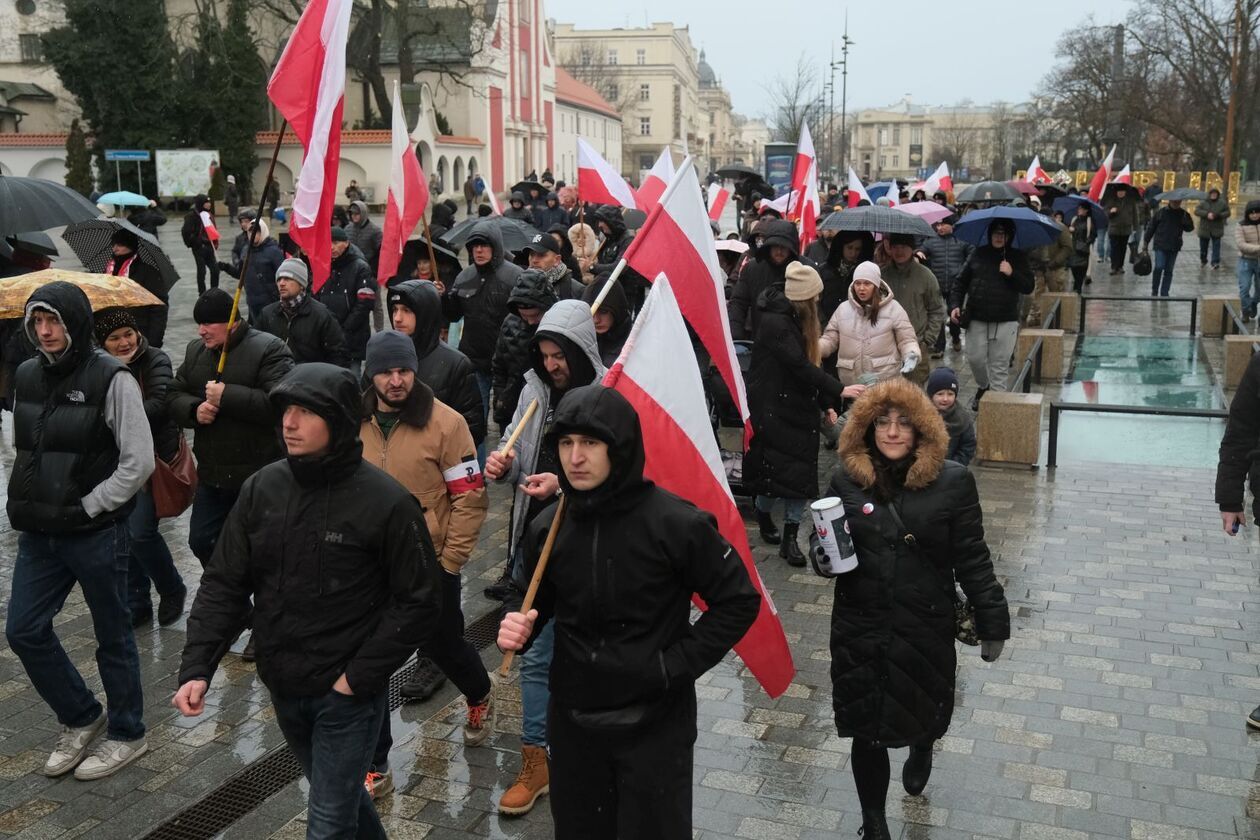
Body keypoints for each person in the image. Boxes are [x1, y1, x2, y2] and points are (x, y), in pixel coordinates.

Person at [175, 363, 441, 839]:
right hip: (282, 683)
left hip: (346, 697)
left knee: (326, 826)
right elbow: (224, 581)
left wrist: (355, 679)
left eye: (304, 411)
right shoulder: (263, 487)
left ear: (337, 420)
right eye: (285, 411)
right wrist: (198, 666)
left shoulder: (387, 502)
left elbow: (420, 600)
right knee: (341, 801)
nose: (289, 423)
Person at [497, 384, 760, 839]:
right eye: (565, 444)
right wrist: (516, 628)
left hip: (654, 726)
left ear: (619, 447)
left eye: (590, 443)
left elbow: (738, 601)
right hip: (575, 727)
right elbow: (528, 601)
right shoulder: (548, 527)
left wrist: (672, 665)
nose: (575, 457)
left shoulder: (677, 525)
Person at [828, 377, 1009, 839]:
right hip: (860, 623)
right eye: (882, 422)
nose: (891, 432)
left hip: (924, 623)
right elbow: (827, 540)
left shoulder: (952, 481)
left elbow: (972, 556)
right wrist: (821, 553)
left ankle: (922, 743)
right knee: (865, 727)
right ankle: (873, 823)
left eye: (903, 424)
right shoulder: (846, 479)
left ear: (922, 429)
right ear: (866, 429)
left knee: (920, 707)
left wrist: (993, 620)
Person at [5, 282, 155, 780]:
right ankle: (81, 715)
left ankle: (128, 732)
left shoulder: (112, 378)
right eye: (37, 322)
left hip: (95, 532)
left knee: (113, 635)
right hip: (40, 532)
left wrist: (92, 505)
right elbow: (21, 448)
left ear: (74, 323)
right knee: (24, 630)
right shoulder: (26, 374)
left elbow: (138, 461)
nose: (45, 332)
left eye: (54, 322)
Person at [484, 300, 606, 814]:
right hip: (532, 547)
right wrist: (506, 467)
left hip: (586, 551)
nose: (552, 364)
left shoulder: (605, 397)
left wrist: (566, 486)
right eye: (546, 354)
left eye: (561, 355)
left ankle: (588, 751)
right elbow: (522, 465)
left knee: (585, 658)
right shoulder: (534, 390)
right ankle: (537, 760)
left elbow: (621, 476)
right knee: (533, 655)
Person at [359, 331, 492, 797]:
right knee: (368, 661)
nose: (396, 381)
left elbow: (470, 496)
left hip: (430, 564)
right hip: (369, 568)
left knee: (446, 646)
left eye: (404, 371)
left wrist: (450, 561)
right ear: (371, 373)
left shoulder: (448, 423)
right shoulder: (351, 420)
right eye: (386, 372)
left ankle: (479, 694)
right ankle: (376, 760)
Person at [168, 288, 294, 586]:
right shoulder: (195, 351)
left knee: (263, 549)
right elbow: (173, 393)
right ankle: (231, 594)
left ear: (232, 321)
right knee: (202, 540)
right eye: (199, 323)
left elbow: (281, 404)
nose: (201, 331)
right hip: (213, 474)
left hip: (258, 474)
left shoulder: (269, 349)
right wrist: (194, 409)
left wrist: (228, 396)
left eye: (209, 323)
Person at [745, 262, 853, 566]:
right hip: (773, 408)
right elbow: (799, 366)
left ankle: (790, 538)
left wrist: (824, 404)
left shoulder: (795, 318)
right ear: (804, 298)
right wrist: (840, 390)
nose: (818, 301)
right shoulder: (776, 324)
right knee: (774, 476)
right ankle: (763, 512)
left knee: (800, 475)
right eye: (815, 297)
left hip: (798, 408)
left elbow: (808, 369)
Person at [95, 308, 187, 627]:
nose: (124, 342)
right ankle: (137, 601)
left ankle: (172, 587)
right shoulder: (97, 367)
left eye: (128, 334)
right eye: (114, 338)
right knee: (122, 534)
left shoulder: (155, 359)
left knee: (140, 532)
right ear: (102, 343)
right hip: (113, 461)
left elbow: (159, 405)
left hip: (150, 459)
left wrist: (112, 417)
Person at [389, 280, 486, 457]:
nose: (397, 318)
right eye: (394, 310)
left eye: (406, 310)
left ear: (426, 313)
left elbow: (472, 427)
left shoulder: (455, 364)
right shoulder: (384, 357)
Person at [949, 220, 1034, 409]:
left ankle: (996, 409)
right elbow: (960, 282)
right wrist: (955, 304)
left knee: (999, 365)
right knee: (975, 358)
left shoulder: (1017, 257)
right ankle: (983, 386)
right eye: (995, 232)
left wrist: (1012, 273)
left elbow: (1029, 286)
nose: (998, 236)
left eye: (1003, 233)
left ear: (1009, 236)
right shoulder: (977, 253)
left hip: (1006, 320)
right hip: (977, 317)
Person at [443, 221, 521, 423]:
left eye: (484, 245)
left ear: (495, 247)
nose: (479, 250)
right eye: (474, 246)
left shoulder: (515, 276)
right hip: (474, 360)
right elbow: (453, 315)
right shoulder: (465, 276)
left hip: (507, 363)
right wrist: (443, 297)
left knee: (508, 419)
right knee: (474, 419)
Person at [819, 261, 920, 386]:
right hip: (852, 386)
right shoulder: (842, 309)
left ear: (876, 286)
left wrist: (911, 354)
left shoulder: (894, 308)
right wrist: (815, 349)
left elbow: (907, 340)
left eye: (867, 283)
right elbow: (830, 339)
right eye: (857, 283)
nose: (861, 288)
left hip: (885, 385)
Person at [493, 269, 559, 432]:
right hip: (512, 407)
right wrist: (500, 400)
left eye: (535, 316)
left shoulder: (558, 327)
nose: (530, 321)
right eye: (524, 316)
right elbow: (499, 365)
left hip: (547, 407)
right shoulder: (510, 323)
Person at [254, 258, 350, 367]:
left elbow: (338, 355)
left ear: (301, 284)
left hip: (311, 379)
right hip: (276, 378)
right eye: (279, 279)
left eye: (287, 279)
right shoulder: (267, 314)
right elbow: (256, 349)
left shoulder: (321, 315)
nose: (281, 283)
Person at [880, 233, 945, 385]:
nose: (899, 251)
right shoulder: (882, 275)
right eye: (895, 247)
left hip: (916, 345)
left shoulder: (926, 276)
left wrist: (928, 340)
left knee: (913, 395)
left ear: (912, 248)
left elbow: (936, 310)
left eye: (903, 247)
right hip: (886, 344)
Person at [728, 218, 803, 340]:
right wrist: (735, 336)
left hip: (795, 342)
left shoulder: (803, 270)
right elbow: (738, 302)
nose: (779, 251)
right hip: (759, 341)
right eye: (775, 246)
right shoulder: (752, 268)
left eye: (784, 247)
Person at [320, 228, 376, 374]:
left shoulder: (360, 267)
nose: (331, 247)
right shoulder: (323, 265)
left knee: (352, 379)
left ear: (346, 243)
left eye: (336, 242)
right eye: (329, 242)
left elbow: (365, 303)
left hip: (352, 338)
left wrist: (345, 329)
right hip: (327, 336)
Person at [916, 215, 973, 356]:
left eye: (943, 225)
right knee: (938, 315)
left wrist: (963, 270)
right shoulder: (931, 241)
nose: (939, 228)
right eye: (938, 225)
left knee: (954, 313)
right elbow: (921, 250)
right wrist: (918, 254)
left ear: (951, 225)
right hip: (937, 284)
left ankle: (955, 336)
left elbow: (972, 253)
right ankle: (939, 346)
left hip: (956, 285)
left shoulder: (961, 240)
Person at [103, 228, 168, 347]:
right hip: (110, 335)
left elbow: (159, 306)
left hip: (140, 333)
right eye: (114, 244)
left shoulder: (147, 271)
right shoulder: (108, 269)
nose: (115, 248)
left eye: (120, 244)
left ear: (130, 246)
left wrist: (154, 341)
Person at [219, 219, 284, 321]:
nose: (253, 234)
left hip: (271, 303)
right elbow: (241, 274)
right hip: (252, 304)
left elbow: (283, 276)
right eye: (250, 231)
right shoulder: (245, 250)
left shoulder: (274, 251)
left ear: (263, 232)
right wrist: (226, 267)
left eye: (257, 231)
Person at [591, 206, 645, 311]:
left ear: (611, 221)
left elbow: (618, 267)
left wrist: (593, 267)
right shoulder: (607, 239)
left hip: (623, 292)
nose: (599, 225)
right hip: (606, 289)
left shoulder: (627, 240)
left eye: (602, 221)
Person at [1024, 215, 1073, 327]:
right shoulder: (1036, 228)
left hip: (1055, 267)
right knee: (1038, 292)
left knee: (1056, 292)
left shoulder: (1060, 228)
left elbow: (1068, 247)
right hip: (1039, 267)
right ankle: (1037, 316)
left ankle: (1058, 318)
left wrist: (1055, 262)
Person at [1144, 198, 1195, 297]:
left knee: (1169, 270)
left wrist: (1186, 222)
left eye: (1178, 201)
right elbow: (1151, 227)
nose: (1176, 203)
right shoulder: (1161, 213)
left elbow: (1190, 228)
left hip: (1174, 245)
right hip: (1160, 244)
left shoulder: (1183, 214)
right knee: (1159, 267)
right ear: (1169, 201)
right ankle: (1154, 290)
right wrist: (1146, 241)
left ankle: (1164, 292)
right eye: (1174, 201)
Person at [925, 366, 975, 466]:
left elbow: (968, 445)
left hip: (950, 468)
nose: (945, 399)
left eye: (950, 394)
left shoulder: (962, 418)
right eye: (940, 394)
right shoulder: (921, 414)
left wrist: (954, 464)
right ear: (931, 395)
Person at [581, 274, 632, 366]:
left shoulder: (633, 344)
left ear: (617, 310)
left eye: (603, 312)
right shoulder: (581, 340)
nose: (596, 320)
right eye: (591, 312)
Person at [522, 232, 584, 300]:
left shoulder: (576, 290)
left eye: (541, 255)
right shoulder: (521, 282)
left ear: (557, 260)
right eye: (531, 254)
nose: (534, 260)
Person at [181, 194, 220, 295]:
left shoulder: (209, 215)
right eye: (206, 202)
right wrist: (195, 242)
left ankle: (214, 291)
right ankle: (202, 293)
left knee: (215, 269)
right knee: (202, 271)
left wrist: (215, 242)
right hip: (199, 248)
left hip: (209, 246)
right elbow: (186, 232)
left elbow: (213, 229)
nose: (209, 204)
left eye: (209, 202)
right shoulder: (192, 216)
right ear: (201, 203)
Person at [1102, 184, 1138, 276]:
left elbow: (1135, 215)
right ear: (1116, 192)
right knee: (1114, 248)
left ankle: (1120, 266)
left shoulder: (1130, 201)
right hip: (1114, 228)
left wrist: (1135, 227)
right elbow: (1105, 213)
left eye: (1122, 191)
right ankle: (1114, 267)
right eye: (1119, 191)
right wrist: (1111, 211)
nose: (1120, 193)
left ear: (1125, 192)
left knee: (1123, 248)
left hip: (1126, 228)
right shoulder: (1111, 200)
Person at [1236, 201, 1260, 321]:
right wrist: (1257, 248)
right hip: (1245, 260)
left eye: (1257, 212)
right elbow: (1241, 244)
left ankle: (1254, 303)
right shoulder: (1241, 225)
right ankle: (1245, 311)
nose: (1255, 215)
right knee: (1244, 287)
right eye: (1252, 213)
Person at [1196, 187, 1231, 269]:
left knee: (1216, 246)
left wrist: (1219, 215)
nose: (1214, 195)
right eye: (1212, 193)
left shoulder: (1222, 203)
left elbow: (1228, 212)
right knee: (1203, 246)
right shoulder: (1203, 202)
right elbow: (1197, 211)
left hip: (1217, 228)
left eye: (1215, 194)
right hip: (1205, 228)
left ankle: (1215, 262)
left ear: (1218, 195)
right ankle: (1203, 260)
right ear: (1209, 194)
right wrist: (1206, 214)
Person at [1067, 203, 1097, 293]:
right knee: (1073, 267)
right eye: (1079, 208)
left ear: (1086, 210)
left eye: (1081, 209)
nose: (1079, 210)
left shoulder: (1090, 221)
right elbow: (1071, 231)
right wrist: (1071, 230)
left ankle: (1078, 286)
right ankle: (1077, 283)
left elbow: (1093, 234)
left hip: (1084, 249)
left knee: (1082, 268)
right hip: (1074, 247)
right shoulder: (1074, 219)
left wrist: (1087, 242)